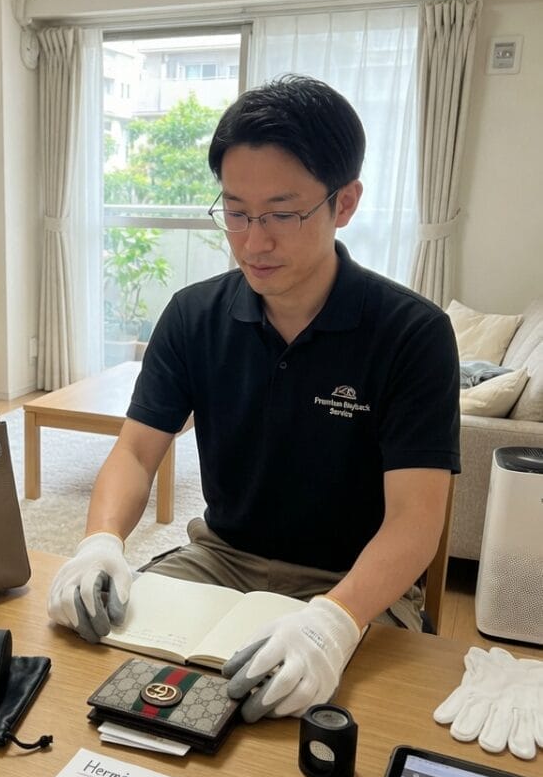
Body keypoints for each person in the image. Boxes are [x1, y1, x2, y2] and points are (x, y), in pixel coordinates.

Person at [47, 75, 460, 724]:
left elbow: (416, 520)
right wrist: (99, 542)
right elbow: (135, 452)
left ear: (345, 203)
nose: (253, 241)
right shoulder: (193, 315)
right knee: (100, 673)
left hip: (354, 583)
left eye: (281, 214)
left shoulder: (412, 333)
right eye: (236, 212)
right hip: (220, 559)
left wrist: (333, 621)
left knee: (319, 731)